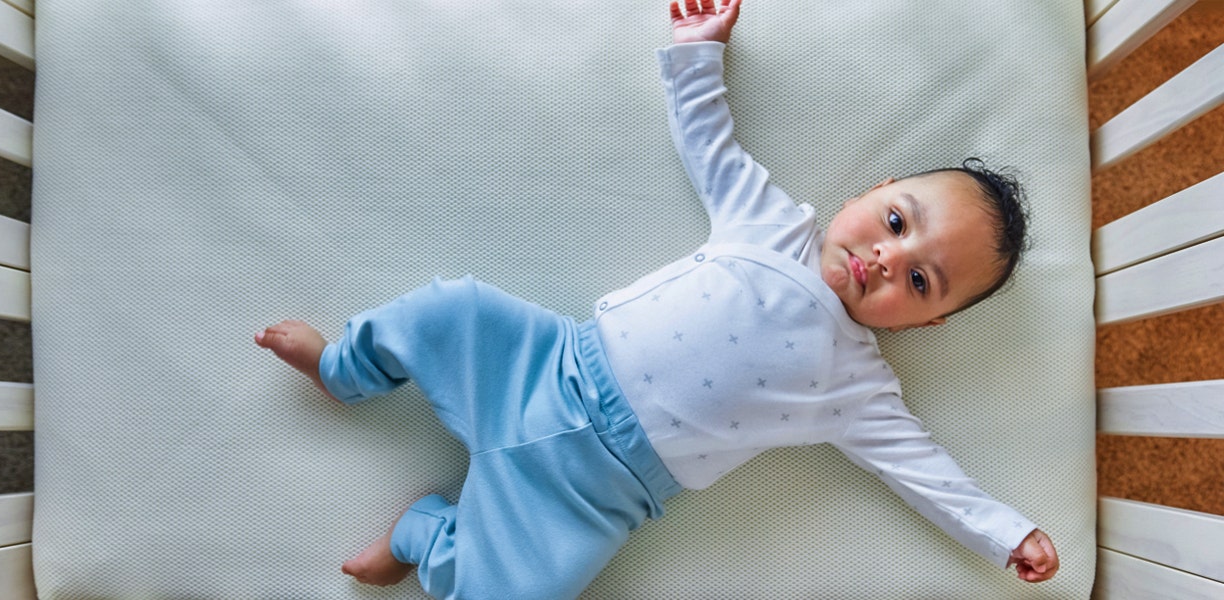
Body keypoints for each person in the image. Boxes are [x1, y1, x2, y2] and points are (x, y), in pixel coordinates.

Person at [255, 0, 1060, 596]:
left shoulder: (858, 388)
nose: (885, 259)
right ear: (877, 190)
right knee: (448, 309)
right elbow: (711, 143)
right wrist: (697, 51)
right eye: (895, 221)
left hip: (595, 496)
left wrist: (1007, 533)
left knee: (523, 593)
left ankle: (427, 536)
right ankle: (345, 366)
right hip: (547, 364)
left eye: (919, 280)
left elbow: (928, 473)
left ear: (931, 320)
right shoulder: (767, 222)